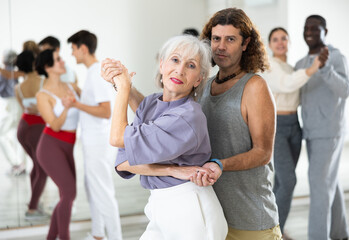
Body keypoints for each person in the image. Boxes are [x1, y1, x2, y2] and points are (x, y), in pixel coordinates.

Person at [101, 35, 228, 240]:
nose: (180, 70)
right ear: (162, 64)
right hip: (160, 206)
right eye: (175, 60)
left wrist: (123, 87)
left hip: (190, 210)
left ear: (198, 79)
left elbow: (117, 138)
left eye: (191, 65)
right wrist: (172, 170)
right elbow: (123, 163)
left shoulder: (188, 117)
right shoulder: (152, 103)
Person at [196, 8, 282, 239]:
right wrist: (126, 87)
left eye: (230, 39)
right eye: (216, 38)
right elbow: (164, 111)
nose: (220, 46)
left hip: (250, 219)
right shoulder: (204, 85)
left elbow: (263, 153)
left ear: (246, 44)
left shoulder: (255, 87)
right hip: (212, 218)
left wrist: (220, 164)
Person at [262, 27, 325, 238]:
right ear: (269, 45)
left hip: (294, 125)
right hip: (277, 126)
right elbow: (287, 85)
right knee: (288, 181)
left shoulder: (291, 67)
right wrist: (313, 68)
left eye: (284, 39)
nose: (280, 43)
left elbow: (298, 88)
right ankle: (275, 232)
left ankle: (271, 227)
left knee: (281, 181)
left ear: (289, 42)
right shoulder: (270, 66)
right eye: (275, 39)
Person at [295, 15, 349, 240]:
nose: (309, 32)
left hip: (329, 131)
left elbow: (345, 90)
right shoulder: (300, 64)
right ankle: (340, 233)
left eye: (315, 29)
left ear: (324, 30)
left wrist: (326, 68)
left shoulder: (336, 57)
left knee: (319, 186)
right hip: (310, 132)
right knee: (329, 182)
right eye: (306, 28)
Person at [66, 30, 122, 240]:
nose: (72, 54)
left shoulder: (96, 72)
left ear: (83, 48)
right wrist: (78, 92)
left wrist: (76, 103)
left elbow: (105, 111)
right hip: (93, 141)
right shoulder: (91, 73)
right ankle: (98, 235)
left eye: (73, 49)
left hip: (98, 143)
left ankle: (115, 237)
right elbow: (95, 103)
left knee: (103, 192)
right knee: (92, 190)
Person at [35, 49, 80, 240]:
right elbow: (54, 124)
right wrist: (66, 108)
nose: (63, 62)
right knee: (70, 192)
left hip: (69, 146)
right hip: (50, 147)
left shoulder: (72, 86)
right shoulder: (42, 95)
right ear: (47, 67)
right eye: (58, 60)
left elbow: (90, 108)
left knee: (67, 196)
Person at [14, 50, 48, 220]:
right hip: (37, 128)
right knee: (43, 169)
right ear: (34, 62)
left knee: (36, 165)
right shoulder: (43, 81)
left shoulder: (17, 87)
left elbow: (26, 108)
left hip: (23, 128)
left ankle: (35, 201)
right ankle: (32, 208)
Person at [0, 49, 26, 175]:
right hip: (17, 104)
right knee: (18, 135)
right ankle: (20, 164)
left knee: (2, 135)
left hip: (12, 105)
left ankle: (16, 163)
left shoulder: (4, 73)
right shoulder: (15, 73)